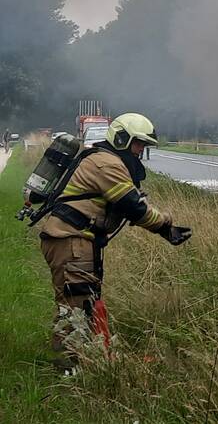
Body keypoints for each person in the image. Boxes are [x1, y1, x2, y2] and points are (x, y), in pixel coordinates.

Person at [37, 112, 192, 360]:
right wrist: (166, 227)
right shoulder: (107, 164)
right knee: (76, 307)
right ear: (122, 139)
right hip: (71, 240)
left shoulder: (104, 159)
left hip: (73, 239)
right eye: (138, 143)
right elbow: (134, 207)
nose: (140, 151)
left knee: (79, 302)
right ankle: (69, 366)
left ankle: (78, 357)